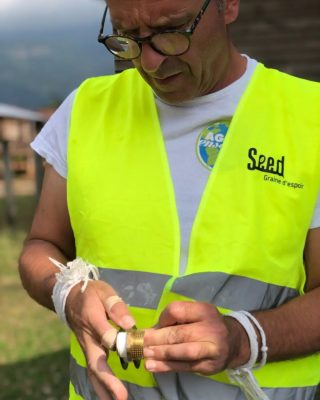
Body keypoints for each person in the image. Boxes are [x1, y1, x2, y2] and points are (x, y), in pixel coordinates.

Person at [18, 0, 320, 399]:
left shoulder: (308, 117)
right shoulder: (85, 110)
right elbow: (41, 247)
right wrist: (67, 293)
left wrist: (244, 338)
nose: (150, 63)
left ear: (228, 5)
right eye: (127, 38)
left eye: (170, 32)